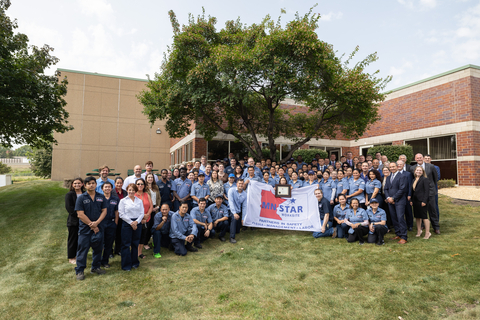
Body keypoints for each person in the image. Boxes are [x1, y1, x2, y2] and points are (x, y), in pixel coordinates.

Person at [74, 176, 107, 280]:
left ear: (96, 185)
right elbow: (80, 214)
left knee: (98, 249)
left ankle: (95, 267)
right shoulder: (81, 198)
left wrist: (96, 223)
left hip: (99, 228)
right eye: (89, 183)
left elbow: (104, 211)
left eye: (93, 183)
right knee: (82, 250)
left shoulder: (101, 197)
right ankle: (80, 271)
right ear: (85, 185)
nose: (91, 185)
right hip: (85, 230)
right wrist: (92, 225)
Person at [410, 153, 440, 234]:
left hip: (430, 192)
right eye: (417, 158)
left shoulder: (430, 166)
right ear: (415, 159)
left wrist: (431, 189)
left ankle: (436, 227)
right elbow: (414, 180)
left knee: (432, 210)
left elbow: (435, 178)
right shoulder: (412, 168)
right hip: (419, 194)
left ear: (423, 158)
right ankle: (423, 226)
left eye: (420, 157)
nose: (419, 159)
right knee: (421, 210)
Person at [119, 183, 144, 271]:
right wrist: (131, 223)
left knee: (135, 243)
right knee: (126, 245)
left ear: (135, 191)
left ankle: (134, 262)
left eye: (133, 190)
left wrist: (136, 222)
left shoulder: (139, 201)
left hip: (137, 223)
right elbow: (121, 214)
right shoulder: (123, 201)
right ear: (127, 190)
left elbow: (142, 213)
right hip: (127, 223)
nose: (131, 191)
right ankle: (126, 265)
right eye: (130, 190)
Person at [385, 161, 409, 244]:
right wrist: (388, 198)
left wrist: (393, 198)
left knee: (400, 218)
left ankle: (404, 237)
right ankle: (398, 234)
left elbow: (402, 189)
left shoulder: (402, 176)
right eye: (390, 167)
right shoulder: (388, 177)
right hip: (390, 201)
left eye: (393, 166)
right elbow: (386, 189)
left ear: (397, 166)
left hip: (399, 201)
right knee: (394, 218)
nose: (392, 168)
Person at [65, 177, 85, 264]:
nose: (77, 185)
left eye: (79, 183)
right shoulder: (69, 195)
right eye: (75, 183)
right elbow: (70, 208)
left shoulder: (85, 194)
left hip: (85, 221)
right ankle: (72, 257)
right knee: (73, 239)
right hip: (73, 221)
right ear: (72, 185)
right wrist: (80, 216)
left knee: (82, 239)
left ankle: (80, 254)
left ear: (82, 184)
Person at [100, 182, 119, 268]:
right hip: (101, 223)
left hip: (111, 223)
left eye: (109, 187)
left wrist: (115, 222)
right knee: (99, 243)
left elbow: (117, 211)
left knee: (109, 243)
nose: (107, 188)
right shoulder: (99, 199)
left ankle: (105, 261)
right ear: (102, 189)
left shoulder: (115, 199)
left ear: (112, 189)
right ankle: (97, 261)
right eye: (105, 187)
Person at [411, 166, 431, 239]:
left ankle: (427, 233)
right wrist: (411, 200)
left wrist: (424, 201)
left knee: (424, 217)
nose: (418, 171)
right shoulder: (414, 180)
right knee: (417, 217)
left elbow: (427, 191)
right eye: (417, 170)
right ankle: (419, 231)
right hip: (415, 201)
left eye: (420, 170)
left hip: (422, 201)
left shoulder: (425, 179)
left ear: (422, 172)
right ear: (415, 171)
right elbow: (413, 191)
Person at [135, 178, 153, 259]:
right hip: (136, 220)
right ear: (136, 185)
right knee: (135, 237)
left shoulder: (147, 195)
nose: (140, 185)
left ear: (144, 185)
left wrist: (147, 215)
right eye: (138, 184)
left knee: (143, 237)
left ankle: (140, 253)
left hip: (146, 219)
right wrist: (141, 218)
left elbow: (151, 206)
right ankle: (134, 252)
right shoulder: (133, 195)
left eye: (142, 184)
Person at [227, 179, 248, 243]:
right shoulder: (231, 190)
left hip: (238, 212)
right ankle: (232, 237)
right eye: (239, 183)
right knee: (234, 219)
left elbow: (244, 207)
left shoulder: (245, 194)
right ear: (236, 184)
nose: (241, 185)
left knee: (238, 230)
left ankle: (229, 229)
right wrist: (234, 213)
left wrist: (243, 218)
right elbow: (231, 202)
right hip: (231, 210)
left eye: (242, 183)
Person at [145, 173, 161, 250]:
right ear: (146, 178)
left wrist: (157, 207)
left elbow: (159, 198)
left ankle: (154, 241)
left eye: (151, 177)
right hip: (148, 209)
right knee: (147, 227)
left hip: (156, 209)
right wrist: (151, 208)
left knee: (154, 226)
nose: (150, 179)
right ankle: (145, 243)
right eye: (149, 177)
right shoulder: (145, 188)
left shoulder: (156, 187)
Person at [112, 177, 127, 256]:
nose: (119, 184)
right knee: (112, 234)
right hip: (113, 215)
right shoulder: (112, 192)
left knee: (120, 234)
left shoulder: (125, 192)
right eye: (117, 183)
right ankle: (110, 251)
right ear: (115, 184)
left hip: (122, 216)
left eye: (120, 183)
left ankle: (118, 250)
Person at [424, 154, 440, 220]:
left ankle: (436, 220)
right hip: (423, 190)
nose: (427, 159)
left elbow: (437, 177)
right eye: (426, 158)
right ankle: (424, 223)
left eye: (428, 158)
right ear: (423, 159)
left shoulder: (435, 167)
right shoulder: (421, 167)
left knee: (434, 205)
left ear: (431, 159)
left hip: (433, 188)